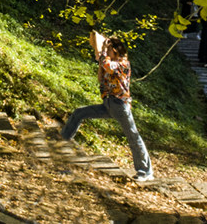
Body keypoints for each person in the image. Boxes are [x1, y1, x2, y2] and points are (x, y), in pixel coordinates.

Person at [61, 32, 153, 182]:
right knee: (79, 113)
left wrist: (103, 52)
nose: (106, 52)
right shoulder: (109, 63)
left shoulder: (123, 64)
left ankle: (145, 171)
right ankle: (60, 144)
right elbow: (101, 78)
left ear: (116, 50)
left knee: (133, 136)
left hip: (120, 106)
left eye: (109, 49)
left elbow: (108, 65)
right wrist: (101, 59)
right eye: (106, 49)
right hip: (108, 104)